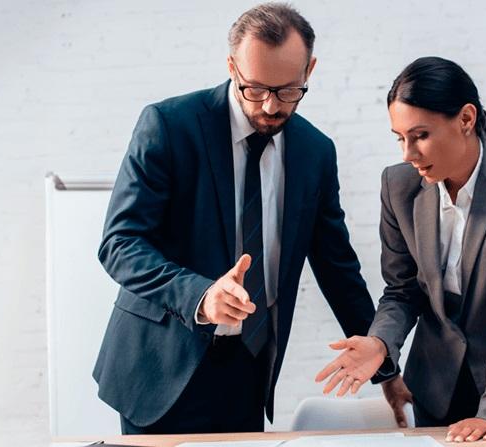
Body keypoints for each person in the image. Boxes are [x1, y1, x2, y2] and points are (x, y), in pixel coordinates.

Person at [92, 3, 402, 435]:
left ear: (309, 70)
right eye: (254, 89)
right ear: (231, 66)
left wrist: (385, 368)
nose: (271, 106)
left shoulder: (315, 152)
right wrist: (201, 295)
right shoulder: (168, 126)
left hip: (249, 369)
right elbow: (120, 244)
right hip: (160, 367)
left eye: (288, 90)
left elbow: (338, 268)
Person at [316, 56, 486, 442]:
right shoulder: (398, 186)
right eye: (399, 138)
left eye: (420, 136)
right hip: (437, 385)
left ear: (466, 119)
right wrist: (381, 343)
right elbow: (402, 291)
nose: (407, 153)